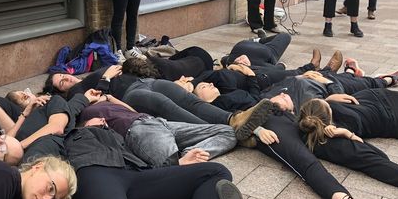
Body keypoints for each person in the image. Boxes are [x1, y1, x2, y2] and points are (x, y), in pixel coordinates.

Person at [43, 65, 275, 141]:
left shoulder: (88, 72)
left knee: (190, 101)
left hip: (148, 80)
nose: (66, 78)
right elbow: (92, 101)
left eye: (63, 74)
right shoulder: (75, 92)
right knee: (173, 109)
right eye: (61, 82)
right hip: (131, 95)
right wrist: (106, 78)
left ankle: (234, 119)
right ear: (59, 90)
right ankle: (228, 132)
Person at [64, 123, 246, 199]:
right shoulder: (74, 136)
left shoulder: (116, 134)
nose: (102, 120)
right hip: (96, 170)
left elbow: (146, 160)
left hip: (134, 175)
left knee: (216, 172)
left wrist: (177, 164)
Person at [79, 93, 236, 167]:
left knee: (228, 132)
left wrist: (109, 98)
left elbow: (131, 111)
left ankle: (189, 152)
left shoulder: (107, 102)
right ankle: (179, 161)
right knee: (170, 166)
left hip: (157, 123)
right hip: (138, 130)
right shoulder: (86, 113)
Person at [298, 93, 398, 188]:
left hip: (377, 97)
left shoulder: (315, 117)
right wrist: (348, 134)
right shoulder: (331, 139)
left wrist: (329, 99)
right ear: (328, 115)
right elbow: (380, 159)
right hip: (391, 117)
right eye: (328, 105)